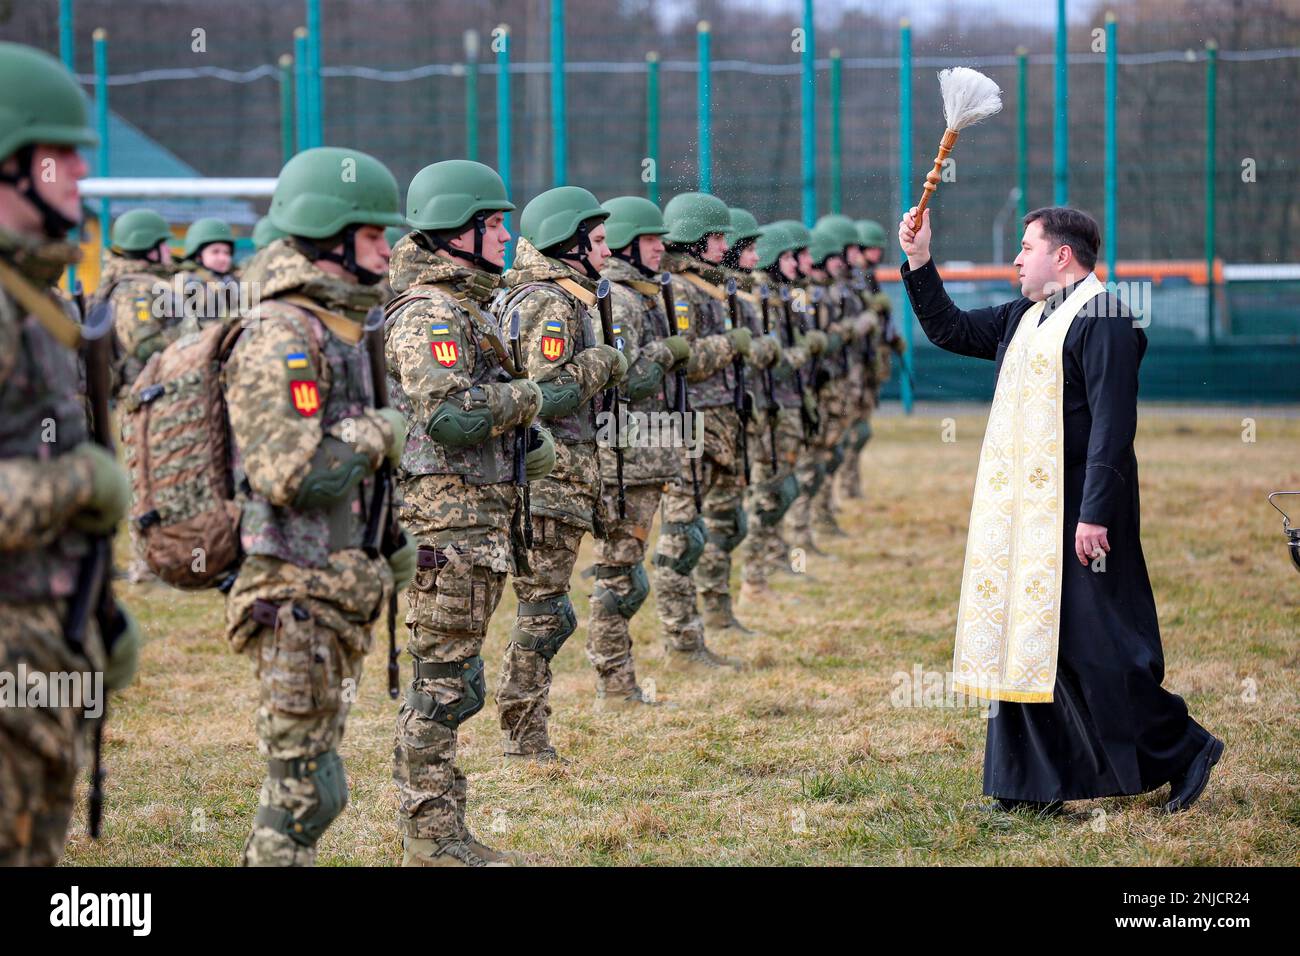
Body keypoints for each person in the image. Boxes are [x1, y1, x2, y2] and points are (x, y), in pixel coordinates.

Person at [898, 203, 1224, 815]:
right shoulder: (1025, 315)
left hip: (1083, 512)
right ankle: (1030, 784)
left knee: (1095, 646)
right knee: (1025, 645)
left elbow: (1111, 425)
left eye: (1027, 247)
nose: (1017, 258)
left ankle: (1184, 749)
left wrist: (1094, 513)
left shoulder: (1105, 317)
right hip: (1029, 516)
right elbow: (950, 329)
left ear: (1062, 257)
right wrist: (919, 261)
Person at [223, 146, 413, 865]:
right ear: (326, 238)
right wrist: (377, 432)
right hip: (292, 593)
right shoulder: (281, 334)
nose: (388, 248)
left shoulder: (339, 326)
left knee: (315, 791)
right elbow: (290, 475)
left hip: (335, 590)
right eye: (371, 235)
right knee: (304, 797)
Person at [386, 159, 551, 866]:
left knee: (457, 681)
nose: (507, 234)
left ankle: (443, 829)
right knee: (441, 687)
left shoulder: (466, 307)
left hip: (475, 528)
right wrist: (530, 400)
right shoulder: (432, 315)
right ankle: (431, 836)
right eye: (493, 223)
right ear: (457, 233)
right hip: (445, 531)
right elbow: (450, 417)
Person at [0, 40, 140, 866]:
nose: (82, 171)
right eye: (59, 153)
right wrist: (81, 481)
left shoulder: (34, 301)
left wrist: (88, 622)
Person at [491, 185, 627, 762]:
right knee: (545, 610)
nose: (605, 250)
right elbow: (543, 392)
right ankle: (523, 734)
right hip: (549, 480)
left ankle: (526, 726)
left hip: (556, 477)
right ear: (568, 244)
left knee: (546, 608)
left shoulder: (558, 295)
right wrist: (603, 362)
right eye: (596, 241)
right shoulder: (551, 302)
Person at [590, 195, 692, 706]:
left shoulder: (646, 294)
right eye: (650, 241)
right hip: (625, 461)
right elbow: (625, 382)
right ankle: (615, 683)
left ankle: (620, 681)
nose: (659, 249)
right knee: (620, 573)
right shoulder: (622, 302)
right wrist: (664, 351)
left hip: (647, 457)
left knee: (628, 571)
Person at [655, 192, 752, 665]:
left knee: (714, 525)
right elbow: (686, 358)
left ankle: (709, 620)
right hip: (687, 426)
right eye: (715, 237)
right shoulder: (679, 289)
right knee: (681, 535)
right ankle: (682, 644)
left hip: (717, 424)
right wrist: (731, 345)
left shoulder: (708, 285)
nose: (723, 245)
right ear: (693, 238)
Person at [176, 216, 239, 332]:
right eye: (215, 252)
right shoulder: (185, 281)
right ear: (198, 255)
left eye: (227, 252)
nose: (223, 258)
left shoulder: (234, 279)